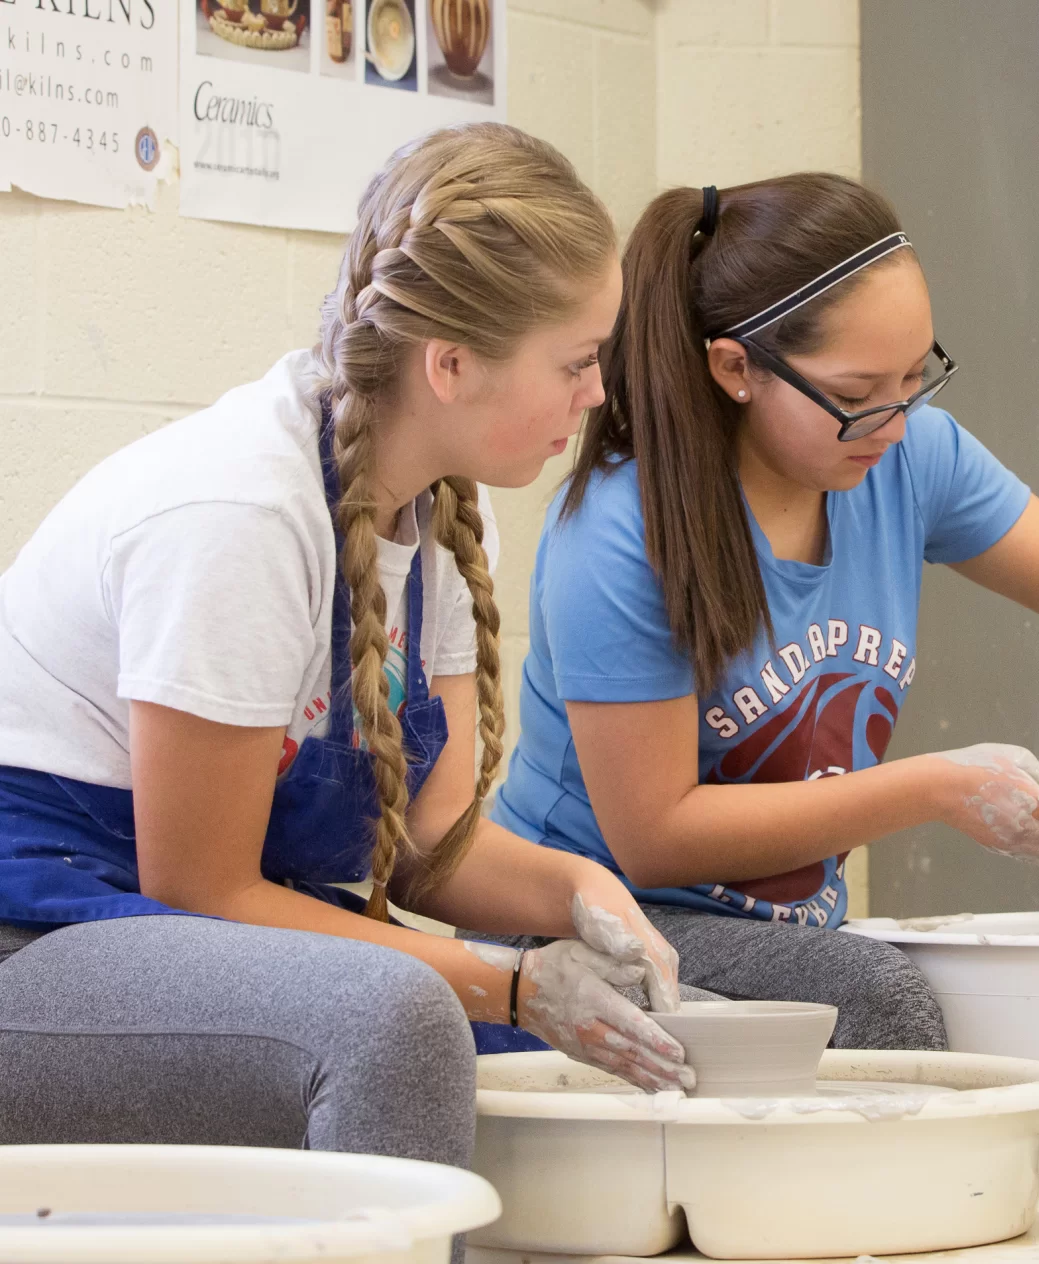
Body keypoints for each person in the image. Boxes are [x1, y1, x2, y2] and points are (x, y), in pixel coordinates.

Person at [0, 123, 690, 1173]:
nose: (596, 397)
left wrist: (581, 895)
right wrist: (509, 981)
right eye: (578, 363)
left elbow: (432, 839)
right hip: (41, 928)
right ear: (451, 364)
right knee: (406, 1018)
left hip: (187, 920)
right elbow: (202, 889)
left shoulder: (448, 507)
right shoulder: (243, 513)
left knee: (636, 1047)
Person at [491, 173, 1039, 1049]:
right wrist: (938, 788)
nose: (894, 421)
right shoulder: (622, 530)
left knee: (970, 997)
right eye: (855, 396)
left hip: (769, 935)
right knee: (881, 999)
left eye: (914, 376)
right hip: (589, 929)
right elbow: (655, 837)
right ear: (735, 367)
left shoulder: (904, 455)